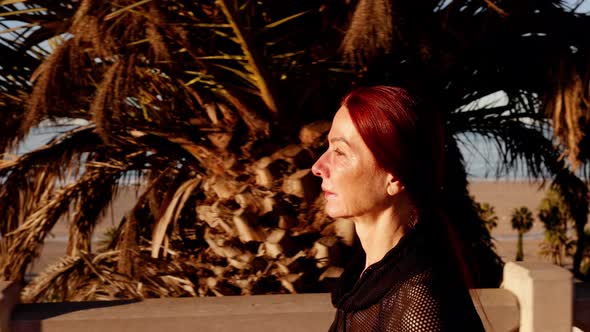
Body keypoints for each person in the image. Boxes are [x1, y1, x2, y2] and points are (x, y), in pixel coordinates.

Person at [311, 86, 485, 331]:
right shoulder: (365, 282)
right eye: (328, 148)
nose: (317, 166)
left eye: (339, 152)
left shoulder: (419, 307)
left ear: (393, 178)